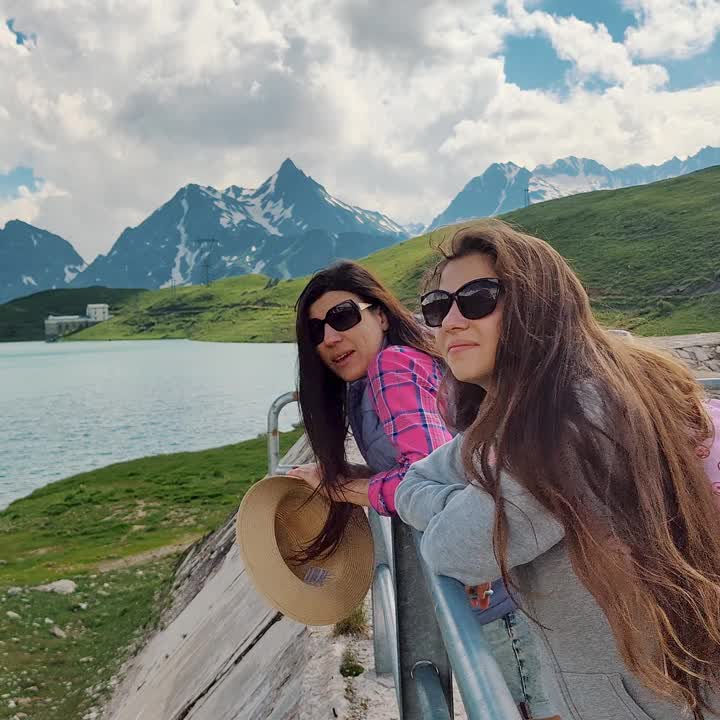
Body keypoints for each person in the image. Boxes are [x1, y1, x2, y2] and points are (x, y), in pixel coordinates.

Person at [395, 219, 720, 720]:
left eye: (477, 299)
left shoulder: (572, 422)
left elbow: (451, 549)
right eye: (438, 307)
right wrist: (472, 497)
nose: (450, 322)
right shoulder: (521, 412)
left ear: (536, 305)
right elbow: (415, 481)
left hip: (654, 701)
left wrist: (473, 502)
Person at [286, 260, 555, 718]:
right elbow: (429, 467)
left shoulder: (390, 366)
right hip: (498, 572)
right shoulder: (375, 377)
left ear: (381, 315)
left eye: (343, 316)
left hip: (496, 585)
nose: (329, 338)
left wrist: (347, 488)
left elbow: (431, 479)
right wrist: (338, 477)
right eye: (315, 332)